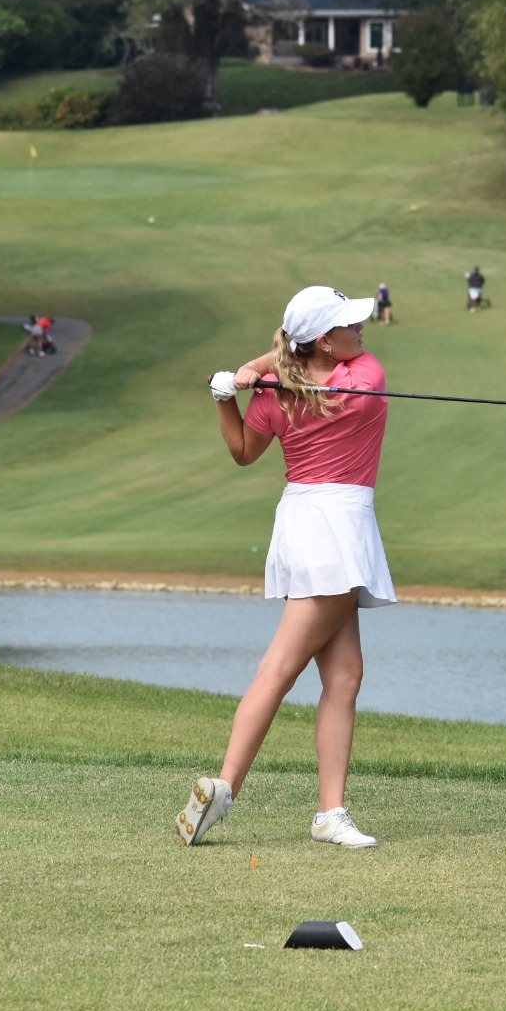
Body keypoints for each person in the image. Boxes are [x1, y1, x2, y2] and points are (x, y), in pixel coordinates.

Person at [182, 286, 395, 850]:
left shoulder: (282, 389)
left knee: (345, 673)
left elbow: (243, 451)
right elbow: (256, 436)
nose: (361, 332)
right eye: (350, 324)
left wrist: (228, 391)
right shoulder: (363, 376)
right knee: (279, 668)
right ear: (325, 340)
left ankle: (330, 813)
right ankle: (224, 787)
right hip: (334, 529)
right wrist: (248, 377)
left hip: (307, 522)